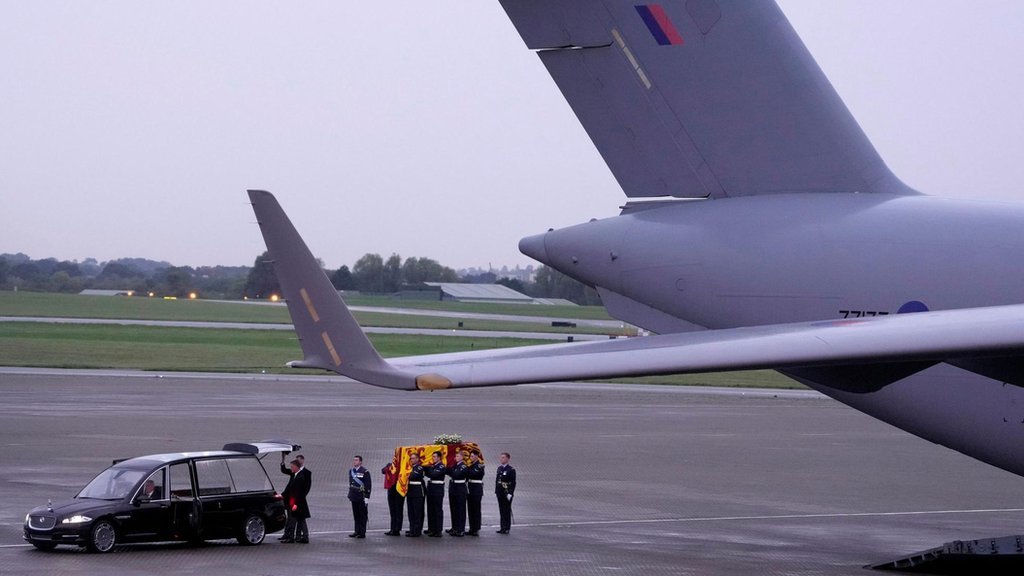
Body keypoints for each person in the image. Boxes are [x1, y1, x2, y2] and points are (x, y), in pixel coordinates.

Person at [281, 459, 311, 543]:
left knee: (296, 519)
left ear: (296, 467)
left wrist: (295, 504)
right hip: (296, 502)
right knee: (300, 519)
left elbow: (298, 492)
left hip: (297, 502)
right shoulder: (295, 475)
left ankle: (294, 537)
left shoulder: (300, 477)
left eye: (292, 467)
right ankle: (304, 537)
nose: (291, 468)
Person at [446, 450, 469, 537]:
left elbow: (456, 474)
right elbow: (449, 472)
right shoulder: (455, 465)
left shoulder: (463, 466)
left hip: (460, 489)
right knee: (454, 509)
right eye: (455, 456)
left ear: (462, 457)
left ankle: (461, 529)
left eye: (458, 456)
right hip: (453, 488)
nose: (456, 458)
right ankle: (454, 527)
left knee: (460, 510)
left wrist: (450, 470)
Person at [347, 455, 371, 538]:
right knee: (356, 514)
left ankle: (362, 532)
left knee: (362, 515)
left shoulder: (365, 471)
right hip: (354, 495)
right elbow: (351, 483)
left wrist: (367, 496)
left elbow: (368, 485)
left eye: (356, 460)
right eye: (354, 460)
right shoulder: (351, 471)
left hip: (361, 496)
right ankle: (356, 531)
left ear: (360, 462)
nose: (355, 462)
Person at [424, 451, 447, 537]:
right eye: (432, 456)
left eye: (434, 456)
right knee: (430, 510)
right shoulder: (433, 466)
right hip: (431, 489)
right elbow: (428, 474)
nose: (433, 458)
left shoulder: (441, 466)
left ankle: (438, 530)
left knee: (437, 510)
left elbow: (433, 474)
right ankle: (431, 528)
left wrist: (427, 467)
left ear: (439, 458)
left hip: (437, 490)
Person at [405, 453, 426, 537]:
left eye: (413, 458)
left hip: (418, 492)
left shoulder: (419, 467)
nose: (412, 460)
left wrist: (406, 473)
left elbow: (413, 476)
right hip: (410, 492)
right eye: (411, 459)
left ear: (417, 459)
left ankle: (417, 530)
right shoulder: (411, 467)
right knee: (411, 512)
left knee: (418, 512)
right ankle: (412, 529)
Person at [495, 452, 516, 534]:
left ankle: (507, 527)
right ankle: (502, 527)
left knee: (506, 510)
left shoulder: (511, 470)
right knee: (501, 510)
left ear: (507, 459)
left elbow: (513, 482)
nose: (501, 459)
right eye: (501, 457)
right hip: (500, 492)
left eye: (503, 457)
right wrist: (496, 491)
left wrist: (510, 493)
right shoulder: (499, 468)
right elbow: (497, 481)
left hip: (506, 492)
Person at [381, 460, 404, 536]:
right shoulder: (390, 465)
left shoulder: (402, 466)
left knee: (398, 510)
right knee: (392, 511)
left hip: (399, 492)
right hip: (391, 491)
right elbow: (383, 471)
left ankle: (397, 529)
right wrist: (390, 468)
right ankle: (392, 528)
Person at [466, 450, 485, 536]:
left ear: (477, 456)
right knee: (470, 509)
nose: (471, 457)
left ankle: (476, 528)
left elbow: (472, 474)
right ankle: (471, 528)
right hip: (470, 488)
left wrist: (466, 470)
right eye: (470, 456)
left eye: (473, 456)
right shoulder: (471, 465)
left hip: (476, 489)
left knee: (476, 509)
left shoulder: (479, 466)